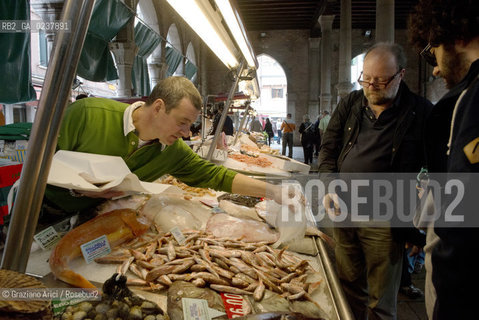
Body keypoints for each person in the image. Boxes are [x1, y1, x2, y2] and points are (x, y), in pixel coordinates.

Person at [43, 77, 285, 217]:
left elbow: (215, 175)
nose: (187, 133)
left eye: (190, 125)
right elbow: (37, 167)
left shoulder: (172, 150)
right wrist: (77, 189)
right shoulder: (87, 115)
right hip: (42, 215)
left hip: (96, 218)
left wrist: (273, 191)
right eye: (182, 122)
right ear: (158, 108)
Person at [319, 43, 432, 320]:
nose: (371, 86)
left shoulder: (420, 111)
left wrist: (419, 227)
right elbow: (329, 148)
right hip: (344, 210)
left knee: (380, 299)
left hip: (386, 218)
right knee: (348, 286)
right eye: (366, 78)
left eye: (381, 80)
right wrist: (330, 185)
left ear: (401, 75)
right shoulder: (351, 103)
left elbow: (439, 171)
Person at [408, 1, 479, 318]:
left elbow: (462, 223)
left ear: (457, 33)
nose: (435, 68)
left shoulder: (472, 99)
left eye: (434, 49)